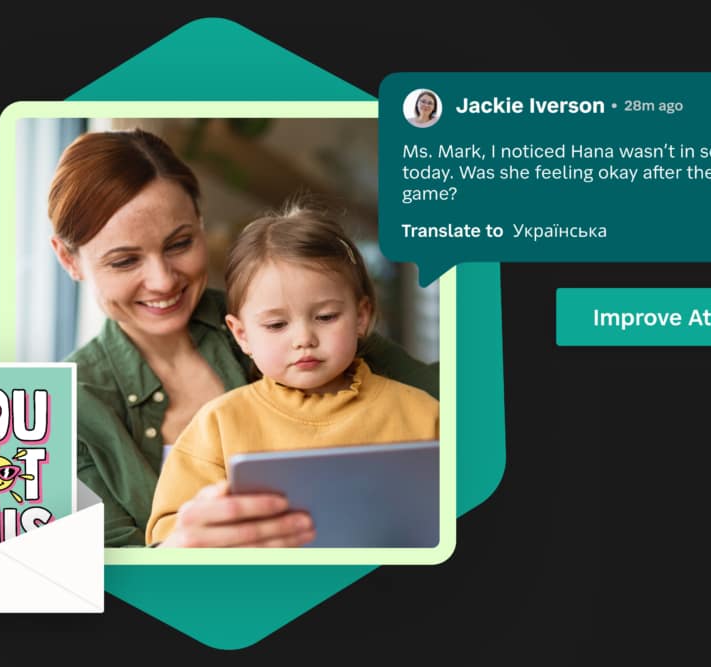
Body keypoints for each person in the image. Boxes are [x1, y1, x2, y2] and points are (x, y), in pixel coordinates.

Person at [47, 128, 438, 547]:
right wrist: (176, 552)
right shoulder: (52, 414)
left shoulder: (293, 318)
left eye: (180, 243)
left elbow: (458, 410)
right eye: (124, 261)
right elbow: (76, 578)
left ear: (200, 221)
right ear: (69, 259)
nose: (162, 281)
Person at [145, 204, 440, 545]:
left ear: (361, 317)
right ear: (241, 335)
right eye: (276, 324)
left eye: (326, 316)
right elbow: (168, 539)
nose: (304, 339)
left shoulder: (425, 416)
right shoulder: (217, 427)